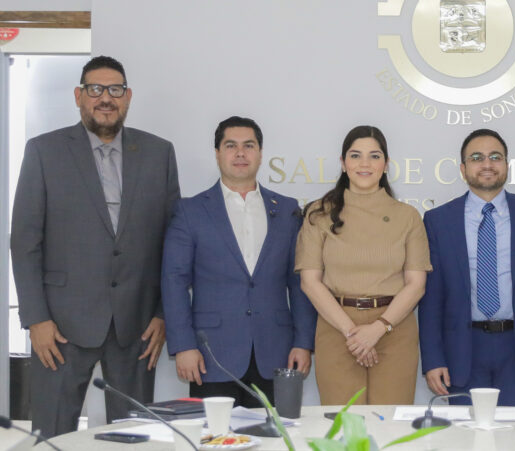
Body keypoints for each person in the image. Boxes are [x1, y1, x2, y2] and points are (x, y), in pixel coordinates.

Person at [10, 55, 180, 438]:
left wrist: (162, 313)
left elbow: (173, 244)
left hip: (137, 328)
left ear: (128, 97)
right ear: (79, 96)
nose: (106, 98)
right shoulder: (44, 151)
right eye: (95, 89)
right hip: (59, 328)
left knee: (134, 439)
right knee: (52, 437)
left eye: (115, 89)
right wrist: (36, 320)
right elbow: (24, 242)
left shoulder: (158, 153)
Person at [161, 116, 316, 407]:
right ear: (218, 153)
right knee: (215, 433)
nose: (240, 153)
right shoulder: (190, 211)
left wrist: (303, 342)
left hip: (276, 353)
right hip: (210, 356)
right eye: (231, 146)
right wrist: (183, 346)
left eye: (249, 145)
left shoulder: (286, 210)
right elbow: (174, 282)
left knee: (274, 432)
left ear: (260, 153)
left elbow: (299, 283)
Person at [419, 129, 515, 406]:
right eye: (477, 158)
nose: (487, 164)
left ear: (507, 165)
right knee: (465, 431)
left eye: (495, 157)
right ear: (463, 169)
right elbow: (431, 298)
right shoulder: (439, 221)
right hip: (462, 350)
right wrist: (433, 359)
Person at [295, 125, 432, 405]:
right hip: (336, 328)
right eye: (356, 155)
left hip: (393, 329)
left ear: (386, 164)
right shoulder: (318, 214)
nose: (365, 164)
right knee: (343, 424)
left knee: (390, 424)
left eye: (374, 156)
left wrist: (378, 329)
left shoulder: (408, 216)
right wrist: (353, 333)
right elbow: (310, 282)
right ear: (343, 163)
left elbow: (416, 285)